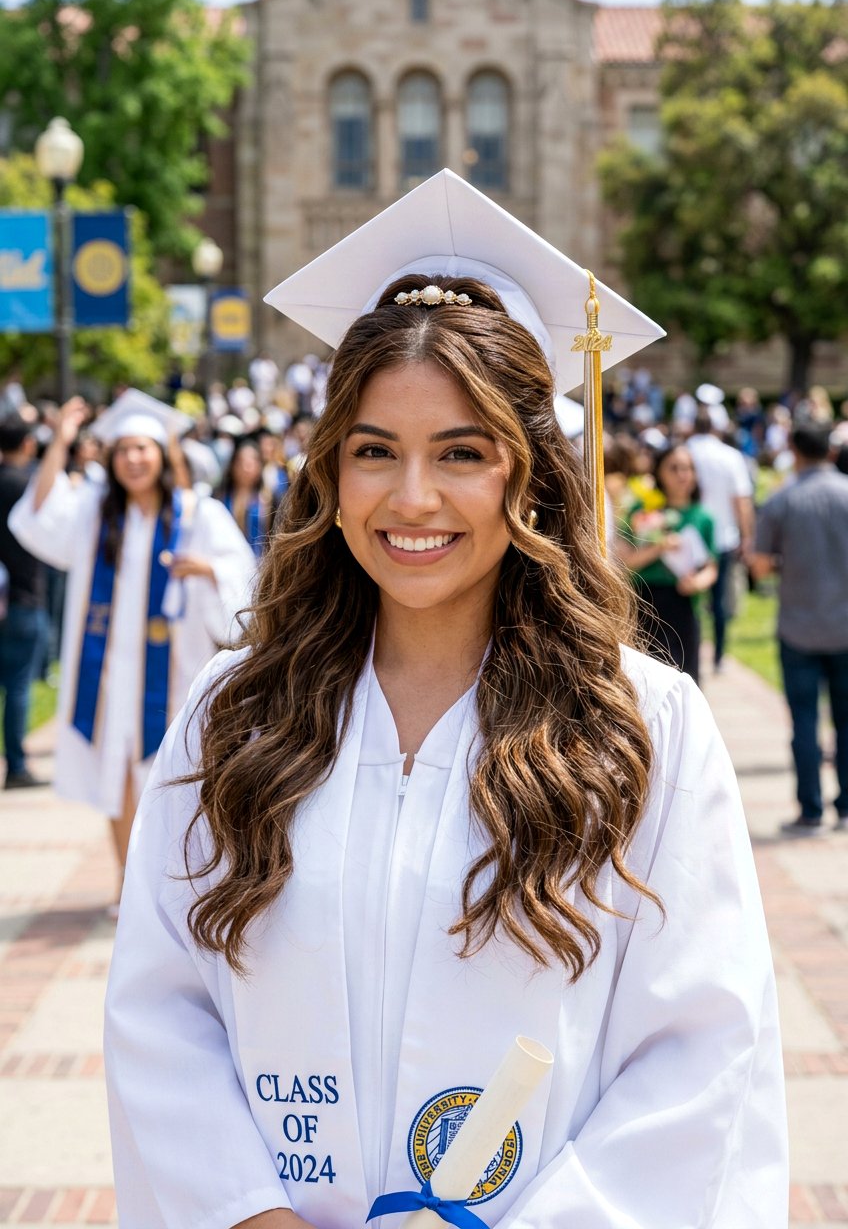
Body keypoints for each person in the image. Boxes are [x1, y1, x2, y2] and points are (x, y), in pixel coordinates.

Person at [105, 170, 787, 1229]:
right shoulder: (235, 712)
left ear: (533, 476)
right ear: (329, 471)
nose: (410, 497)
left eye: (461, 453)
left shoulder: (637, 724)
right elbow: (161, 1003)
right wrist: (249, 1212)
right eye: (374, 451)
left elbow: (700, 1046)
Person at [9, 389, 257, 904]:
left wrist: (208, 570)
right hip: (111, 673)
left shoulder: (197, 514)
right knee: (118, 775)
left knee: (179, 780)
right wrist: (59, 442)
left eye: (142, 449)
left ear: (162, 455)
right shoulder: (96, 515)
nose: (133, 460)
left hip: (177, 672)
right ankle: (128, 885)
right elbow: (35, 521)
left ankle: (179, 888)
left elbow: (247, 580)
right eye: (123, 451)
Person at [750, 420, 848, 833]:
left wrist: (786, 565)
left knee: (804, 722)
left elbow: (758, 561)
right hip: (844, 624)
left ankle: (810, 809)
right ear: (829, 448)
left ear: (792, 448)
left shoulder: (781, 500)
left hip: (798, 625)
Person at [617, 442, 718, 685]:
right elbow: (624, 562)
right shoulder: (643, 511)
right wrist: (659, 547)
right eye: (674, 468)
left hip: (683, 603)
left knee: (686, 679)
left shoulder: (702, 517)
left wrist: (698, 582)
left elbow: (711, 567)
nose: (683, 475)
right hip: (646, 603)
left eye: (688, 468)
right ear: (659, 472)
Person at [0, 417, 50, 789]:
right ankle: (16, 765)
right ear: (29, 444)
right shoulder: (27, 488)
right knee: (18, 685)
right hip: (22, 595)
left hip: (11, 594)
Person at [687, 406, 754, 671]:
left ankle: (691, 652)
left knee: (689, 597)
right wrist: (747, 535)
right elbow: (742, 501)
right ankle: (718, 655)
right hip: (723, 536)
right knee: (719, 601)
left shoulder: (686, 451)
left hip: (690, 533)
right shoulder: (730, 456)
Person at [218, 437, 281, 557]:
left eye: (251, 463)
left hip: (258, 564)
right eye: (241, 462)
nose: (246, 467)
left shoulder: (269, 499)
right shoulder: (220, 497)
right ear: (233, 465)